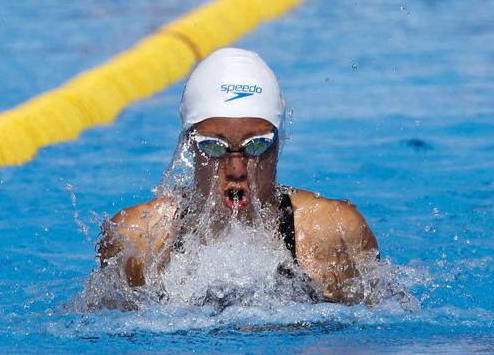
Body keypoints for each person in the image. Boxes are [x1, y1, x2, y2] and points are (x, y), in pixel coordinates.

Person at [97, 47, 379, 305]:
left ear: (279, 143)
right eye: (213, 147)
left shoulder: (331, 231)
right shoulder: (137, 239)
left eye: (257, 145)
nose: (236, 169)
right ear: (189, 146)